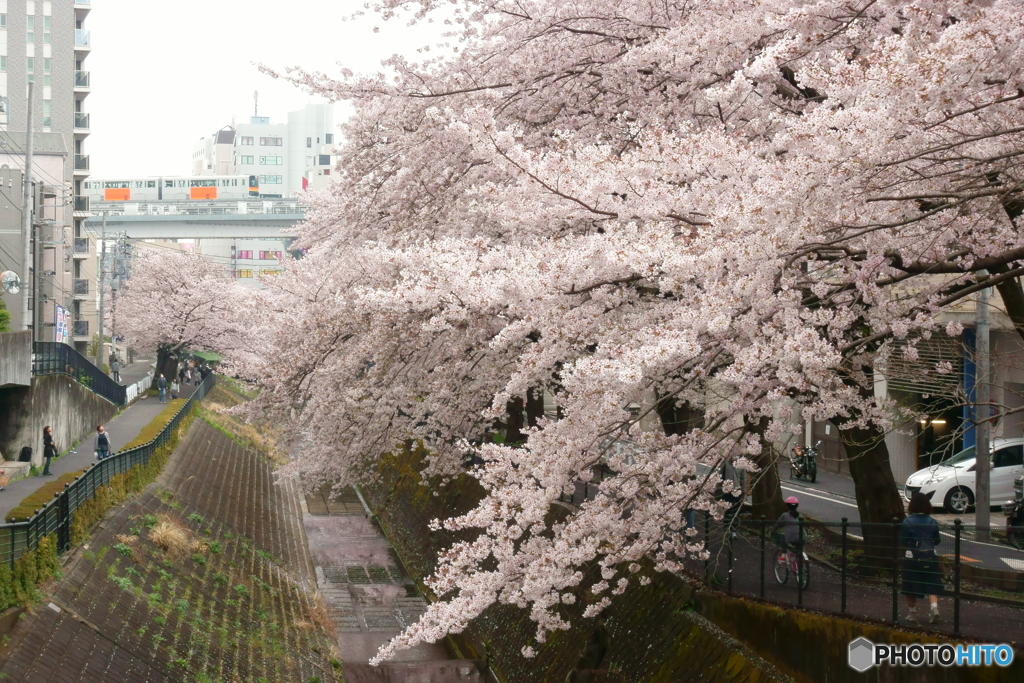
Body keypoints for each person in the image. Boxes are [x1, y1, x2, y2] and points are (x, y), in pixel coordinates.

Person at [900, 491, 943, 624]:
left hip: (912, 558)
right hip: (930, 557)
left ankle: (912, 613)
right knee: (932, 583)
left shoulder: (907, 522)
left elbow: (902, 541)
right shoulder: (932, 521)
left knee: (909, 585)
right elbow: (937, 541)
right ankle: (934, 608)